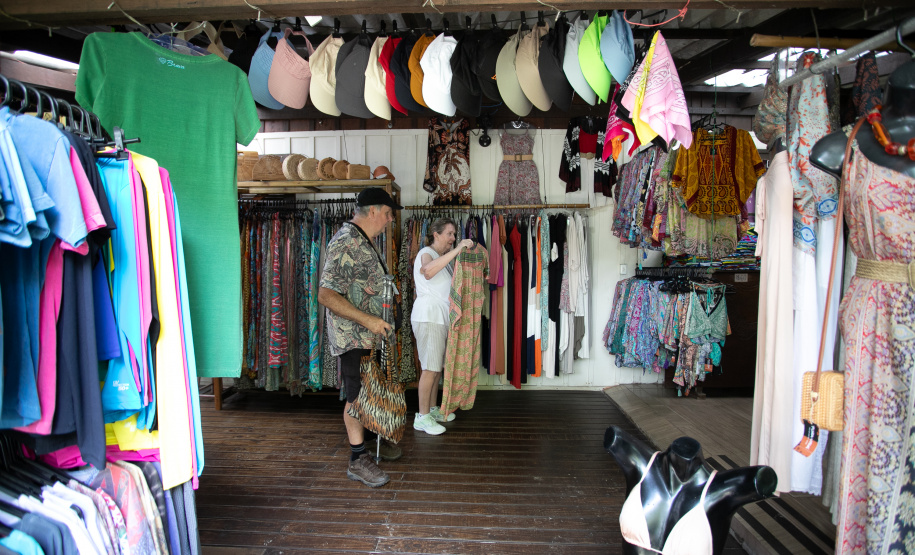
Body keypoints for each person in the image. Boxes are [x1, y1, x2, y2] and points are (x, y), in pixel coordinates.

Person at [318, 187, 403, 488]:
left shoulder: (363, 240)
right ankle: (357, 459)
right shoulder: (345, 241)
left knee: (368, 392)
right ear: (374, 211)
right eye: (389, 213)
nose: (390, 219)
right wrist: (368, 319)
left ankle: (372, 440)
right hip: (353, 337)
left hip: (369, 336)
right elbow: (326, 294)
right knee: (354, 396)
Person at [411, 218, 475, 435]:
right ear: (436, 234)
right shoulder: (426, 253)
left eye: (454, 234)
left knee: (436, 367)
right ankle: (422, 417)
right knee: (430, 368)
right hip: (428, 316)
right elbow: (427, 271)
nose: (453, 238)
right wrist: (457, 250)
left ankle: (430, 410)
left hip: (438, 318)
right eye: (449, 233)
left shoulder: (442, 259)